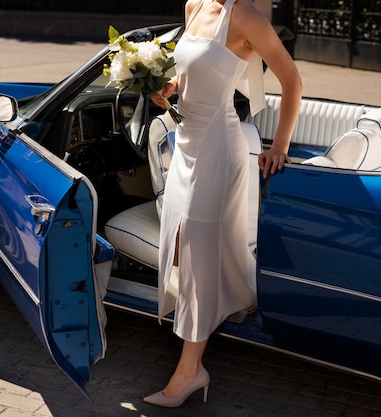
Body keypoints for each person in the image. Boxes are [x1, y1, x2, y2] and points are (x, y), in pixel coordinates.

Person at [145, 0, 302, 408]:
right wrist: (169, 89)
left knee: (195, 251)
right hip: (186, 142)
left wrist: (280, 145)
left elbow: (292, 80)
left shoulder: (246, 16)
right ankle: (220, 304)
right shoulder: (193, 6)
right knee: (180, 244)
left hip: (219, 145)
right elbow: (192, 70)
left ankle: (190, 371)